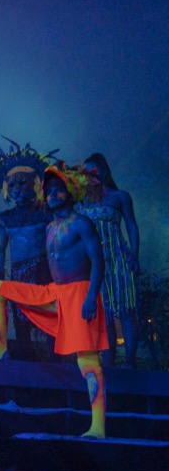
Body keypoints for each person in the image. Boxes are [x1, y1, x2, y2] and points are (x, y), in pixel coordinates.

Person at [0, 165, 107, 439]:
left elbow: (99, 262)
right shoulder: (50, 226)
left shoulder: (81, 223)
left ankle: (98, 426)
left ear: (70, 192)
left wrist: (90, 298)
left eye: (57, 190)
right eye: (48, 191)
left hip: (79, 294)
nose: (51, 195)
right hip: (54, 293)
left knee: (87, 362)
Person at [0, 141, 55, 360]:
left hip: (43, 270)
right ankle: (26, 363)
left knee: (49, 316)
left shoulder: (45, 213)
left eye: (23, 184)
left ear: (35, 184)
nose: (18, 190)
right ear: (7, 187)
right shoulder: (6, 219)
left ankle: (57, 362)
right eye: (13, 186)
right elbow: (0, 247)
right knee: (21, 319)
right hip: (18, 272)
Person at [79, 152, 140, 368]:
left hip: (118, 258)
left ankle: (130, 362)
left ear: (104, 171)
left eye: (92, 171)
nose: (89, 176)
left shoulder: (120, 196)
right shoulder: (83, 202)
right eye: (85, 173)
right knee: (103, 312)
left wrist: (135, 254)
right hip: (95, 263)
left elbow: (131, 226)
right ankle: (108, 362)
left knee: (125, 309)